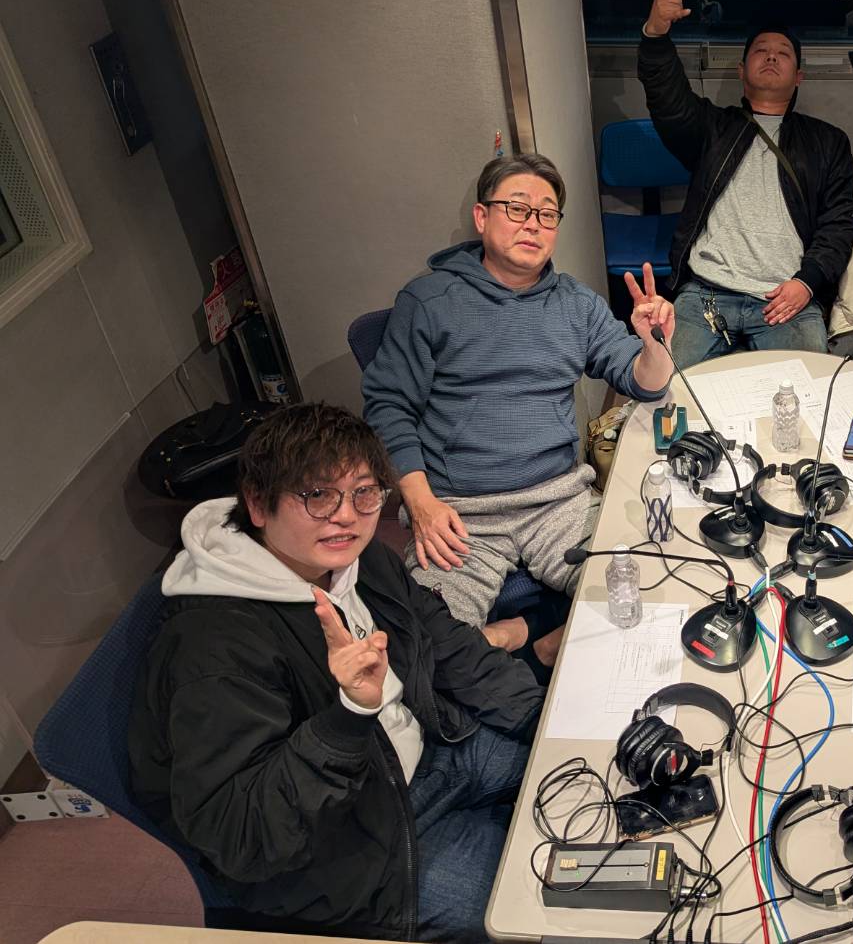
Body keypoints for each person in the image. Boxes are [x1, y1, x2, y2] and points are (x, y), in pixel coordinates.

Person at [129, 403, 543, 941]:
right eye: (318, 495)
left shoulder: (356, 559)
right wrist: (348, 716)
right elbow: (242, 834)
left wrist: (540, 717)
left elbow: (444, 643)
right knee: (540, 899)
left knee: (585, 766)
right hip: (353, 849)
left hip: (430, 752)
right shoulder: (213, 647)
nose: (346, 515)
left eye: (364, 493)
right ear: (257, 504)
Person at [362, 153, 673, 674]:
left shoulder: (576, 304)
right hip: (460, 512)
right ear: (482, 217)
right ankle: (538, 634)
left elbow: (644, 381)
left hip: (558, 500)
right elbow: (388, 405)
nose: (533, 224)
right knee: (425, 651)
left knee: (653, 584)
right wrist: (420, 502)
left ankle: (525, 635)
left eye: (547, 214)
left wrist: (653, 342)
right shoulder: (430, 300)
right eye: (518, 208)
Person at [638, 0, 853, 367]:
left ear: (798, 76)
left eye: (783, 52)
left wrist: (807, 282)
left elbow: (841, 222)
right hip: (706, 293)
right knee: (663, 385)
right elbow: (668, 101)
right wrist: (655, 33)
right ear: (741, 71)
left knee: (808, 393)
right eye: (761, 50)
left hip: (786, 298)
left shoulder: (828, 142)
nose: (772, 56)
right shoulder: (711, 128)